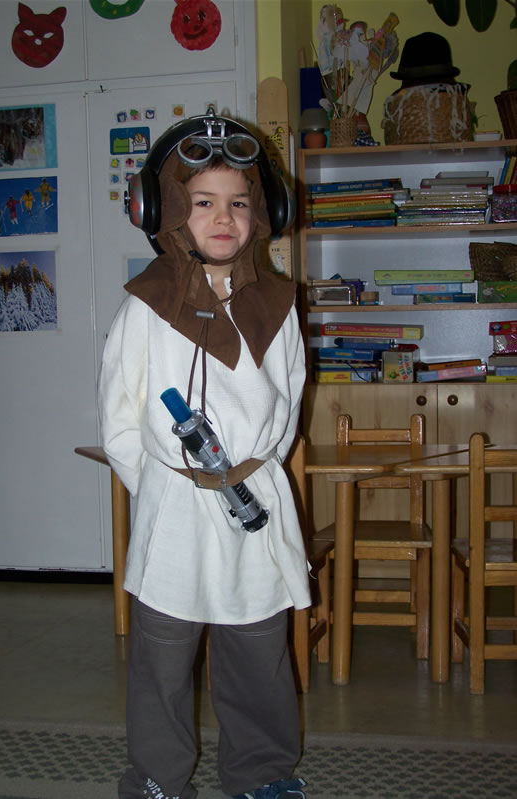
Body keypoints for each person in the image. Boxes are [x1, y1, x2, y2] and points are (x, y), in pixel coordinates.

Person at [98, 112, 309, 799]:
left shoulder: (278, 305)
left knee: (258, 647)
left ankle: (262, 772)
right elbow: (120, 418)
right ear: (164, 212)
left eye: (239, 203)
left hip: (253, 500)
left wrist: (250, 471)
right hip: (176, 506)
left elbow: (287, 405)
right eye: (203, 202)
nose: (224, 217)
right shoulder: (144, 307)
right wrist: (170, 485)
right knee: (163, 658)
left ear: (263, 213)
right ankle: (157, 778)